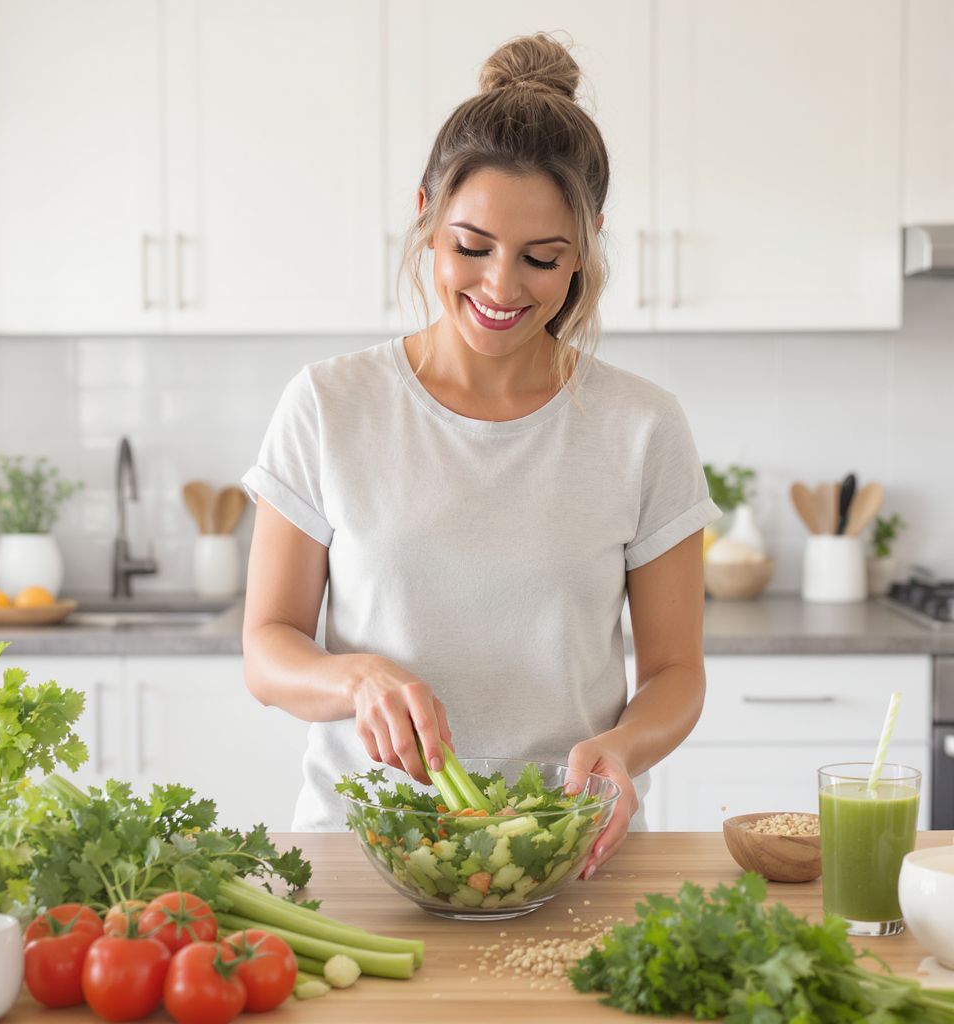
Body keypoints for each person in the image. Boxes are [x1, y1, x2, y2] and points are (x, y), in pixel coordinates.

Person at [241, 32, 720, 881]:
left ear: (589, 245)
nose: (502, 289)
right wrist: (357, 680)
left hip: (565, 855)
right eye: (472, 247)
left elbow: (676, 674)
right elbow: (269, 649)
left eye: (543, 259)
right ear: (425, 214)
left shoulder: (643, 426)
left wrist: (621, 747)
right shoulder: (328, 404)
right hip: (363, 857)